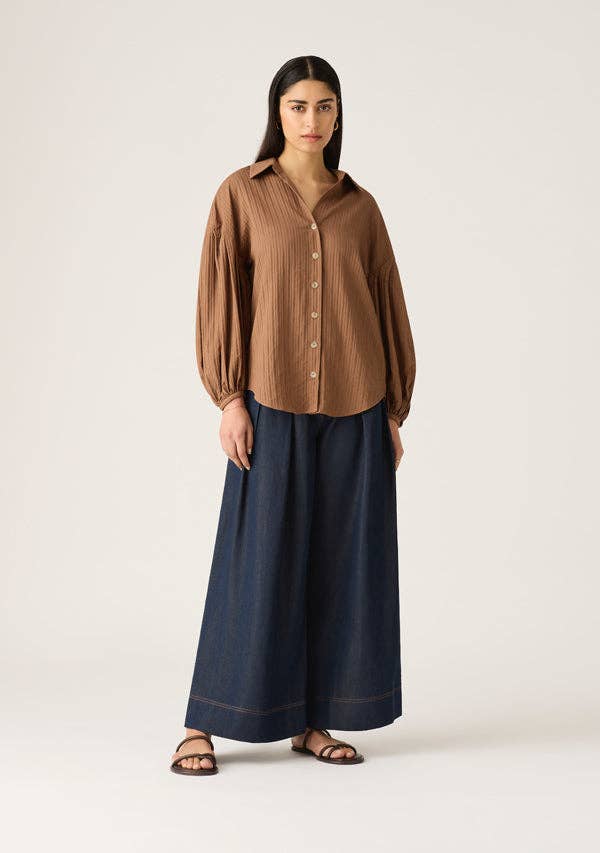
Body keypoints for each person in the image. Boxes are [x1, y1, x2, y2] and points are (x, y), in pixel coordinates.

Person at [170, 55, 416, 776]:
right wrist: (229, 398)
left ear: (339, 116)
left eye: (325, 106)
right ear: (277, 112)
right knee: (255, 557)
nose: (312, 120)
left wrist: (393, 412)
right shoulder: (242, 195)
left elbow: (385, 303)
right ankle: (202, 722)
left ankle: (315, 722)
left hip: (356, 403)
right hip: (270, 400)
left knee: (343, 563)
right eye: (299, 105)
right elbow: (222, 295)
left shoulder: (360, 207)